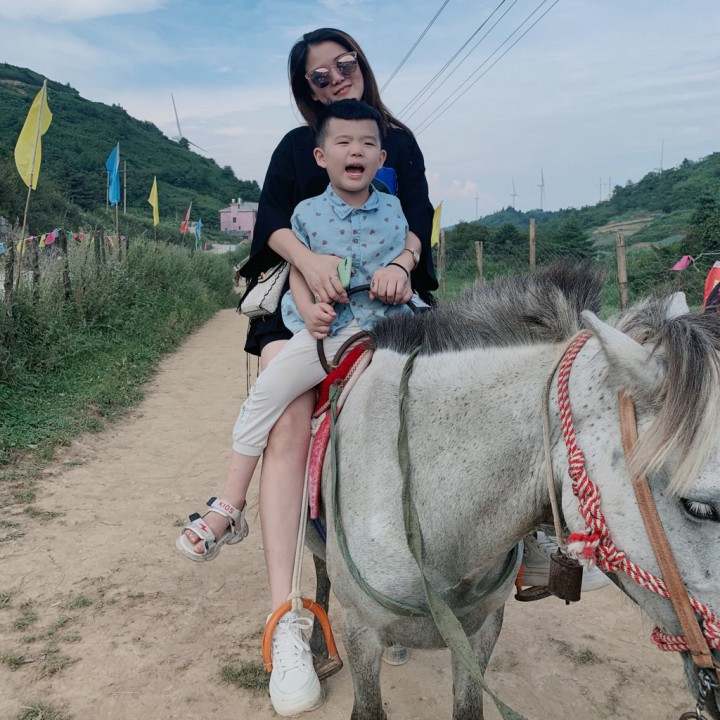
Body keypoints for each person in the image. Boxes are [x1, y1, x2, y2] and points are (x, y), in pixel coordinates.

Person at [177, 95, 424, 715]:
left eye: (367, 144)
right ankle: (229, 504)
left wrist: (400, 272)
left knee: (450, 389)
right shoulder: (307, 214)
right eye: (343, 143)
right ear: (320, 156)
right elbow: (294, 275)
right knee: (267, 395)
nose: (355, 152)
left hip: (387, 331)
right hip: (325, 335)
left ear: (382, 157)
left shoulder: (395, 212)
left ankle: (526, 532)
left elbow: (404, 269)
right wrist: (310, 309)